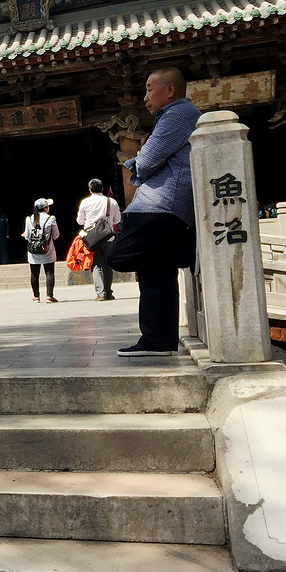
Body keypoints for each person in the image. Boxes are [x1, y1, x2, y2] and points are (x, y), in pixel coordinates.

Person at [107, 67, 201, 356]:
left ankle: (185, 251)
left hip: (160, 205)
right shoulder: (175, 116)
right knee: (156, 273)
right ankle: (157, 341)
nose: (145, 96)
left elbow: (144, 162)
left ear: (169, 91)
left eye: (150, 88)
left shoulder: (177, 114)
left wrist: (140, 164)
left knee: (117, 255)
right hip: (166, 207)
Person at [76, 179, 121, 301]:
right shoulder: (111, 201)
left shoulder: (85, 202)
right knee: (108, 265)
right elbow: (117, 220)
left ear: (90, 190)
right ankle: (108, 292)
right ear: (103, 188)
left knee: (95, 265)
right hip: (108, 237)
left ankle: (100, 293)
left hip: (92, 239)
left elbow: (80, 221)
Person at [23, 197, 60, 303]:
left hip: (33, 250)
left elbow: (27, 236)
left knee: (34, 274)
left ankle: (36, 296)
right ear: (45, 208)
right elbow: (56, 235)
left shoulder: (29, 219)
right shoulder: (51, 218)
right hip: (47, 249)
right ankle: (49, 296)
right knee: (49, 272)